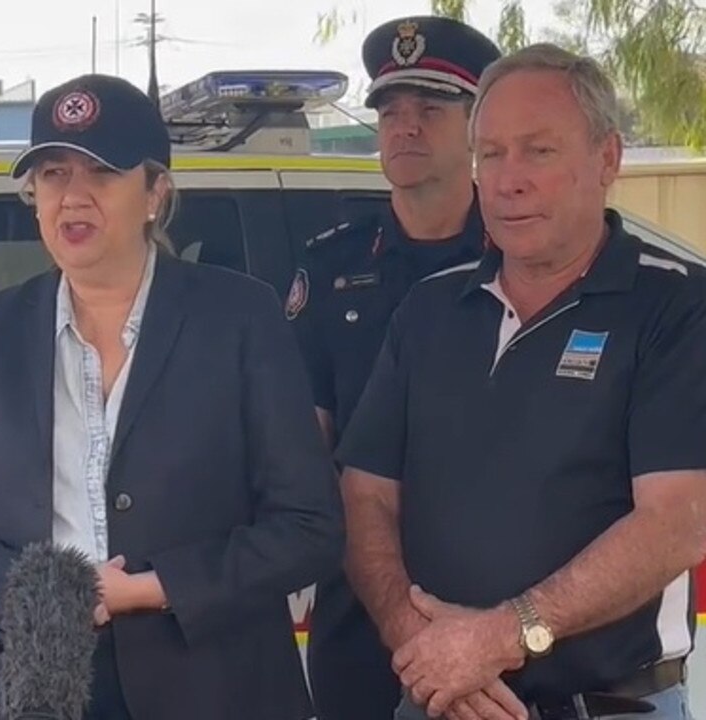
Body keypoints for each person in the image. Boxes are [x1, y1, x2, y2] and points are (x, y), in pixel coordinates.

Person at [0, 73, 343, 720]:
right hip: (43, 685)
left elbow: (309, 529)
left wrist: (152, 588)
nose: (73, 197)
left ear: (155, 193)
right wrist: (44, 597)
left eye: (102, 174)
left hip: (215, 684)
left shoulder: (239, 318)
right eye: (52, 174)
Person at [337, 43, 706, 720]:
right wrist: (421, 645)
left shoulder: (678, 306)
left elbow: (679, 521)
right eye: (492, 154)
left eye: (538, 151)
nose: (508, 181)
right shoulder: (428, 310)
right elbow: (365, 495)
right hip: (435, 697)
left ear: (608, 159)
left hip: (608, 706)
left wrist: (500, 636)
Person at [287, 16, 504, 720]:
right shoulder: (333, 264)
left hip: (497, 599)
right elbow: (306, 436)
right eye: (390, 112)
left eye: (430, 110)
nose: (405, 128)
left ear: (476, 128)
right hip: (361, 601)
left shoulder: (522, 259)